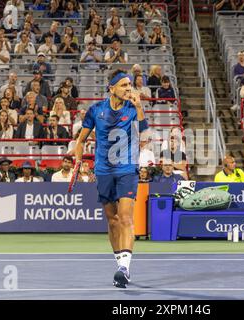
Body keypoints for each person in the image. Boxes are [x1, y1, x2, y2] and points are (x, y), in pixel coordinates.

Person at [74, 69, 149, 288]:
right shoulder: (96, 110)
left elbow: (144, 135)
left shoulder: (132, 108)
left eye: (129, 85)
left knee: (125, 217)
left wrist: (138, 106)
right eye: (124, 85)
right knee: (112, 219)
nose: (128, 89)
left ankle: (124, 268)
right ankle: (120, 266)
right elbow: (80, 141)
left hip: (127, 168)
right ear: (112, 88)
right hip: (104, 171)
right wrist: (79, 161)